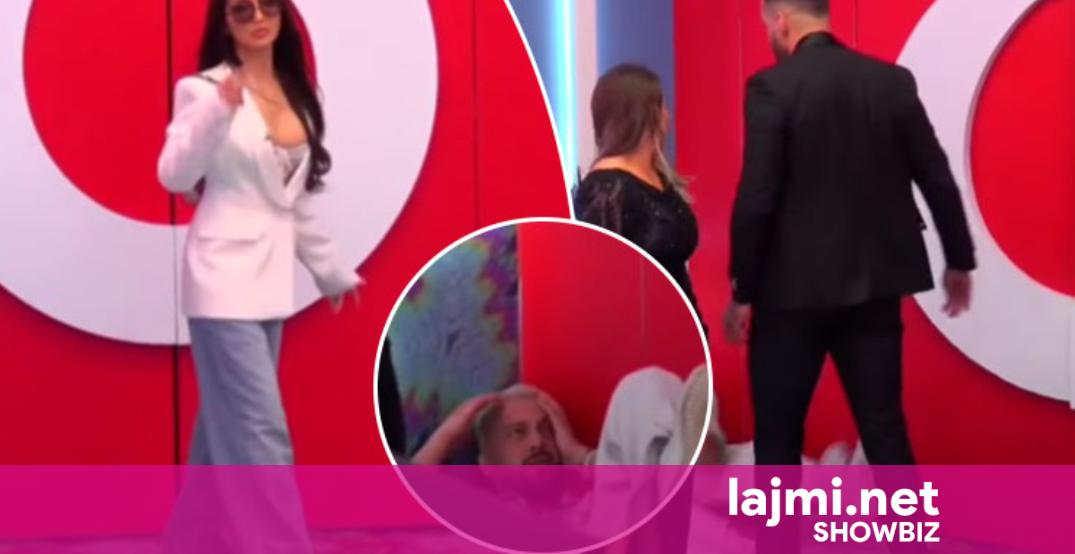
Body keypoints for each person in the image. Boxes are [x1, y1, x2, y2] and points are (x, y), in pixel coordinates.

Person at [725, 0, 976, 465]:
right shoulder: (890, 82)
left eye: (767, 26)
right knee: (885, 430)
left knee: (778, 439)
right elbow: (936, 177)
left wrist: (743, 290)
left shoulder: (771, 88)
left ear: (780, 21)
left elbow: (756, 198)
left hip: (788, 297)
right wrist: (959, 260)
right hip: (873, 290)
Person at [157, 0, 361, 465]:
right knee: (257, 429)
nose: (259, 19)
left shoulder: (296, 93)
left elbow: (293, 199)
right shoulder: (201, 91)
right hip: (221, 279)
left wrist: (330, 271)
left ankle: (198, 517)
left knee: (226, 424)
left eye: (268, 6)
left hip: (269, 282)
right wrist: (217, 113)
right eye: (242, 11)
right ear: (225, 23)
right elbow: (173, 175)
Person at [574, 64, 706, 330]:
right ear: (646, 115)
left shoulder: (659, 177)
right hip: (641, 336)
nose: (668, 115)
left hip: (682, 329)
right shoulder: (606, 189)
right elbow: (603, 283)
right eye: (662, 106)